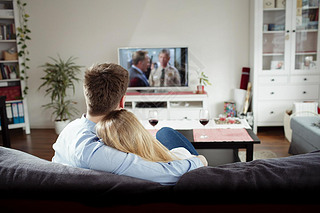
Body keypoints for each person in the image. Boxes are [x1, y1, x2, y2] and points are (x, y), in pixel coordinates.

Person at [52, 63, 207, 185]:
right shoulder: (96, 153)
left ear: (87, 96)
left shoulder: (69, 129)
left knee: (163, 133)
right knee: (165, 133)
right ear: (122, 101)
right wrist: (199, 161)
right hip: (184, 176)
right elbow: (165, 173)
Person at [96, 109, 200, 162]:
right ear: (138, 130)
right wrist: (200, 159)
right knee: (164, 132)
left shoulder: (117, 164)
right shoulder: (181, 155)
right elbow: (201, 162)